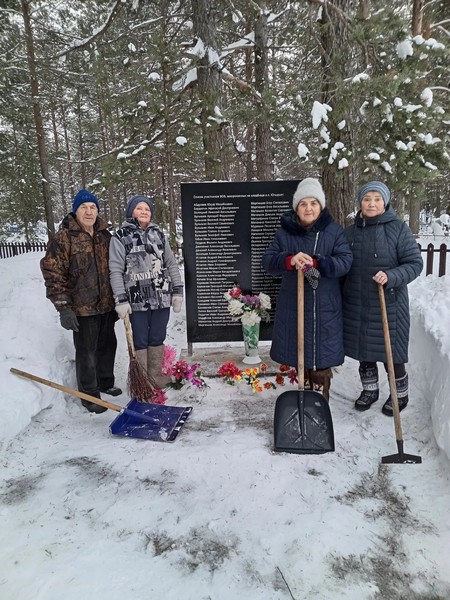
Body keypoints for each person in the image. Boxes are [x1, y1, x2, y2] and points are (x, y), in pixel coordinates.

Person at [262, 178, 353, 398]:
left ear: (320, 206)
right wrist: (290, 260)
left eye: (313, 203)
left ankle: (321, 397)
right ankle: (304, 395)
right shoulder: (285, 233)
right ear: (296, 208)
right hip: (294, 304)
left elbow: (345, 262)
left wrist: (318, 262)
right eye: (303, 204)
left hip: (324, 306)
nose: (309, 208)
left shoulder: (334, 232)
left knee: (322, 357)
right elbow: (268, 261)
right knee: (299, 355)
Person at [343, 181, 423, 415]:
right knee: (364, 352)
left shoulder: (398, 229)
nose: (372, 203)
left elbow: (415, 264)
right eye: (367, 199)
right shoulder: (350, 233)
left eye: (377, 199)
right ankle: (370, 390)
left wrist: (391, 275)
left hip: (389, 303)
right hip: (358, 304)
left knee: (392, 355)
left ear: (385, 202)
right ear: (360, 202)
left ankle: (400, 395)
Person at [40, 189, 121, 414]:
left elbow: (116, 268)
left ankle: (105, 381)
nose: (89, 211)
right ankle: (89, 393)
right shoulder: (64, 237)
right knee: (87, 351)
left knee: (108, 345)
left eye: (92, 207)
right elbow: (53, 272)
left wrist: (118, 299)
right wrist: (64, 307)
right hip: (82, 307)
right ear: (76, 211)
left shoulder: (105, 236)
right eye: (84, 207)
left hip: (106, 304)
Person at [109, 194, 183, 387]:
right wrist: (121, 299)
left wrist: (177, 291)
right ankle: (142, 382)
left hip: (161, 296)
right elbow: (115, 270)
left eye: (147, 209)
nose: (143, 212)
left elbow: (171, 264)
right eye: (139, 208)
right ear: (130, 211)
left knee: (158, 335)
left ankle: (155, 377)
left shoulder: (158, 234)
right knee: (140, 340)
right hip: (136, 299)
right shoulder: (120, 237)